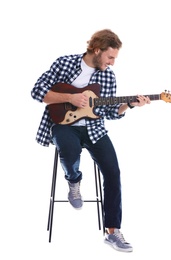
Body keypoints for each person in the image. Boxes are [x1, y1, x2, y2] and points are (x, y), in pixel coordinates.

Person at [31, 29, 150, 252]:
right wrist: (70, 97)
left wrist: (131, 104)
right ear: (97, 50)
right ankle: (74, 180)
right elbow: (37, 92)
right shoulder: (64, 64)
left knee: (113, 173)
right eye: (110, 57)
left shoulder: (108, 76)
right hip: (63, 125)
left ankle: (112, 232)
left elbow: (112, 112)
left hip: (94, 129)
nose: (113, 63)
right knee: (69, 149)